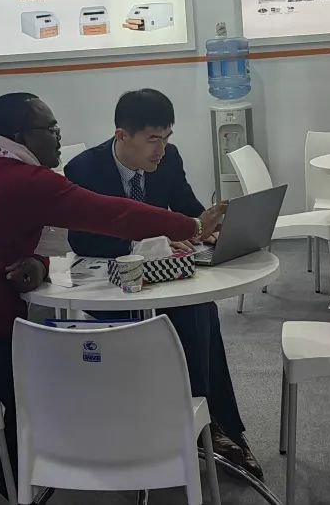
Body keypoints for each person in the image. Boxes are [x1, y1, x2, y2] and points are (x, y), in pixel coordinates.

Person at [0, 92, 227, 505]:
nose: (59, 136)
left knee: (68, 362)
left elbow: (45, 237)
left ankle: (9, 471)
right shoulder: (20, 181)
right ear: (21, 136)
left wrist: (37, 263)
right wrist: (192, 225)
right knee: (66, 372)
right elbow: (112, 214)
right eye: (50, 129)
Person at [65, 88, 263, 479]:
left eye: (167, 137)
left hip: (161, 279)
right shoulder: (84, 170)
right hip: (108, 285)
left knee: (199, 308)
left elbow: (187, 210)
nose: (162, 149)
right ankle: (200, 425)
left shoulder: (169, 159)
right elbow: (83, 239)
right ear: (122, 135)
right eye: (153, 139)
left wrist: (207, 228)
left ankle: (216, 424)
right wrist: (144, 243)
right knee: (190, 315)